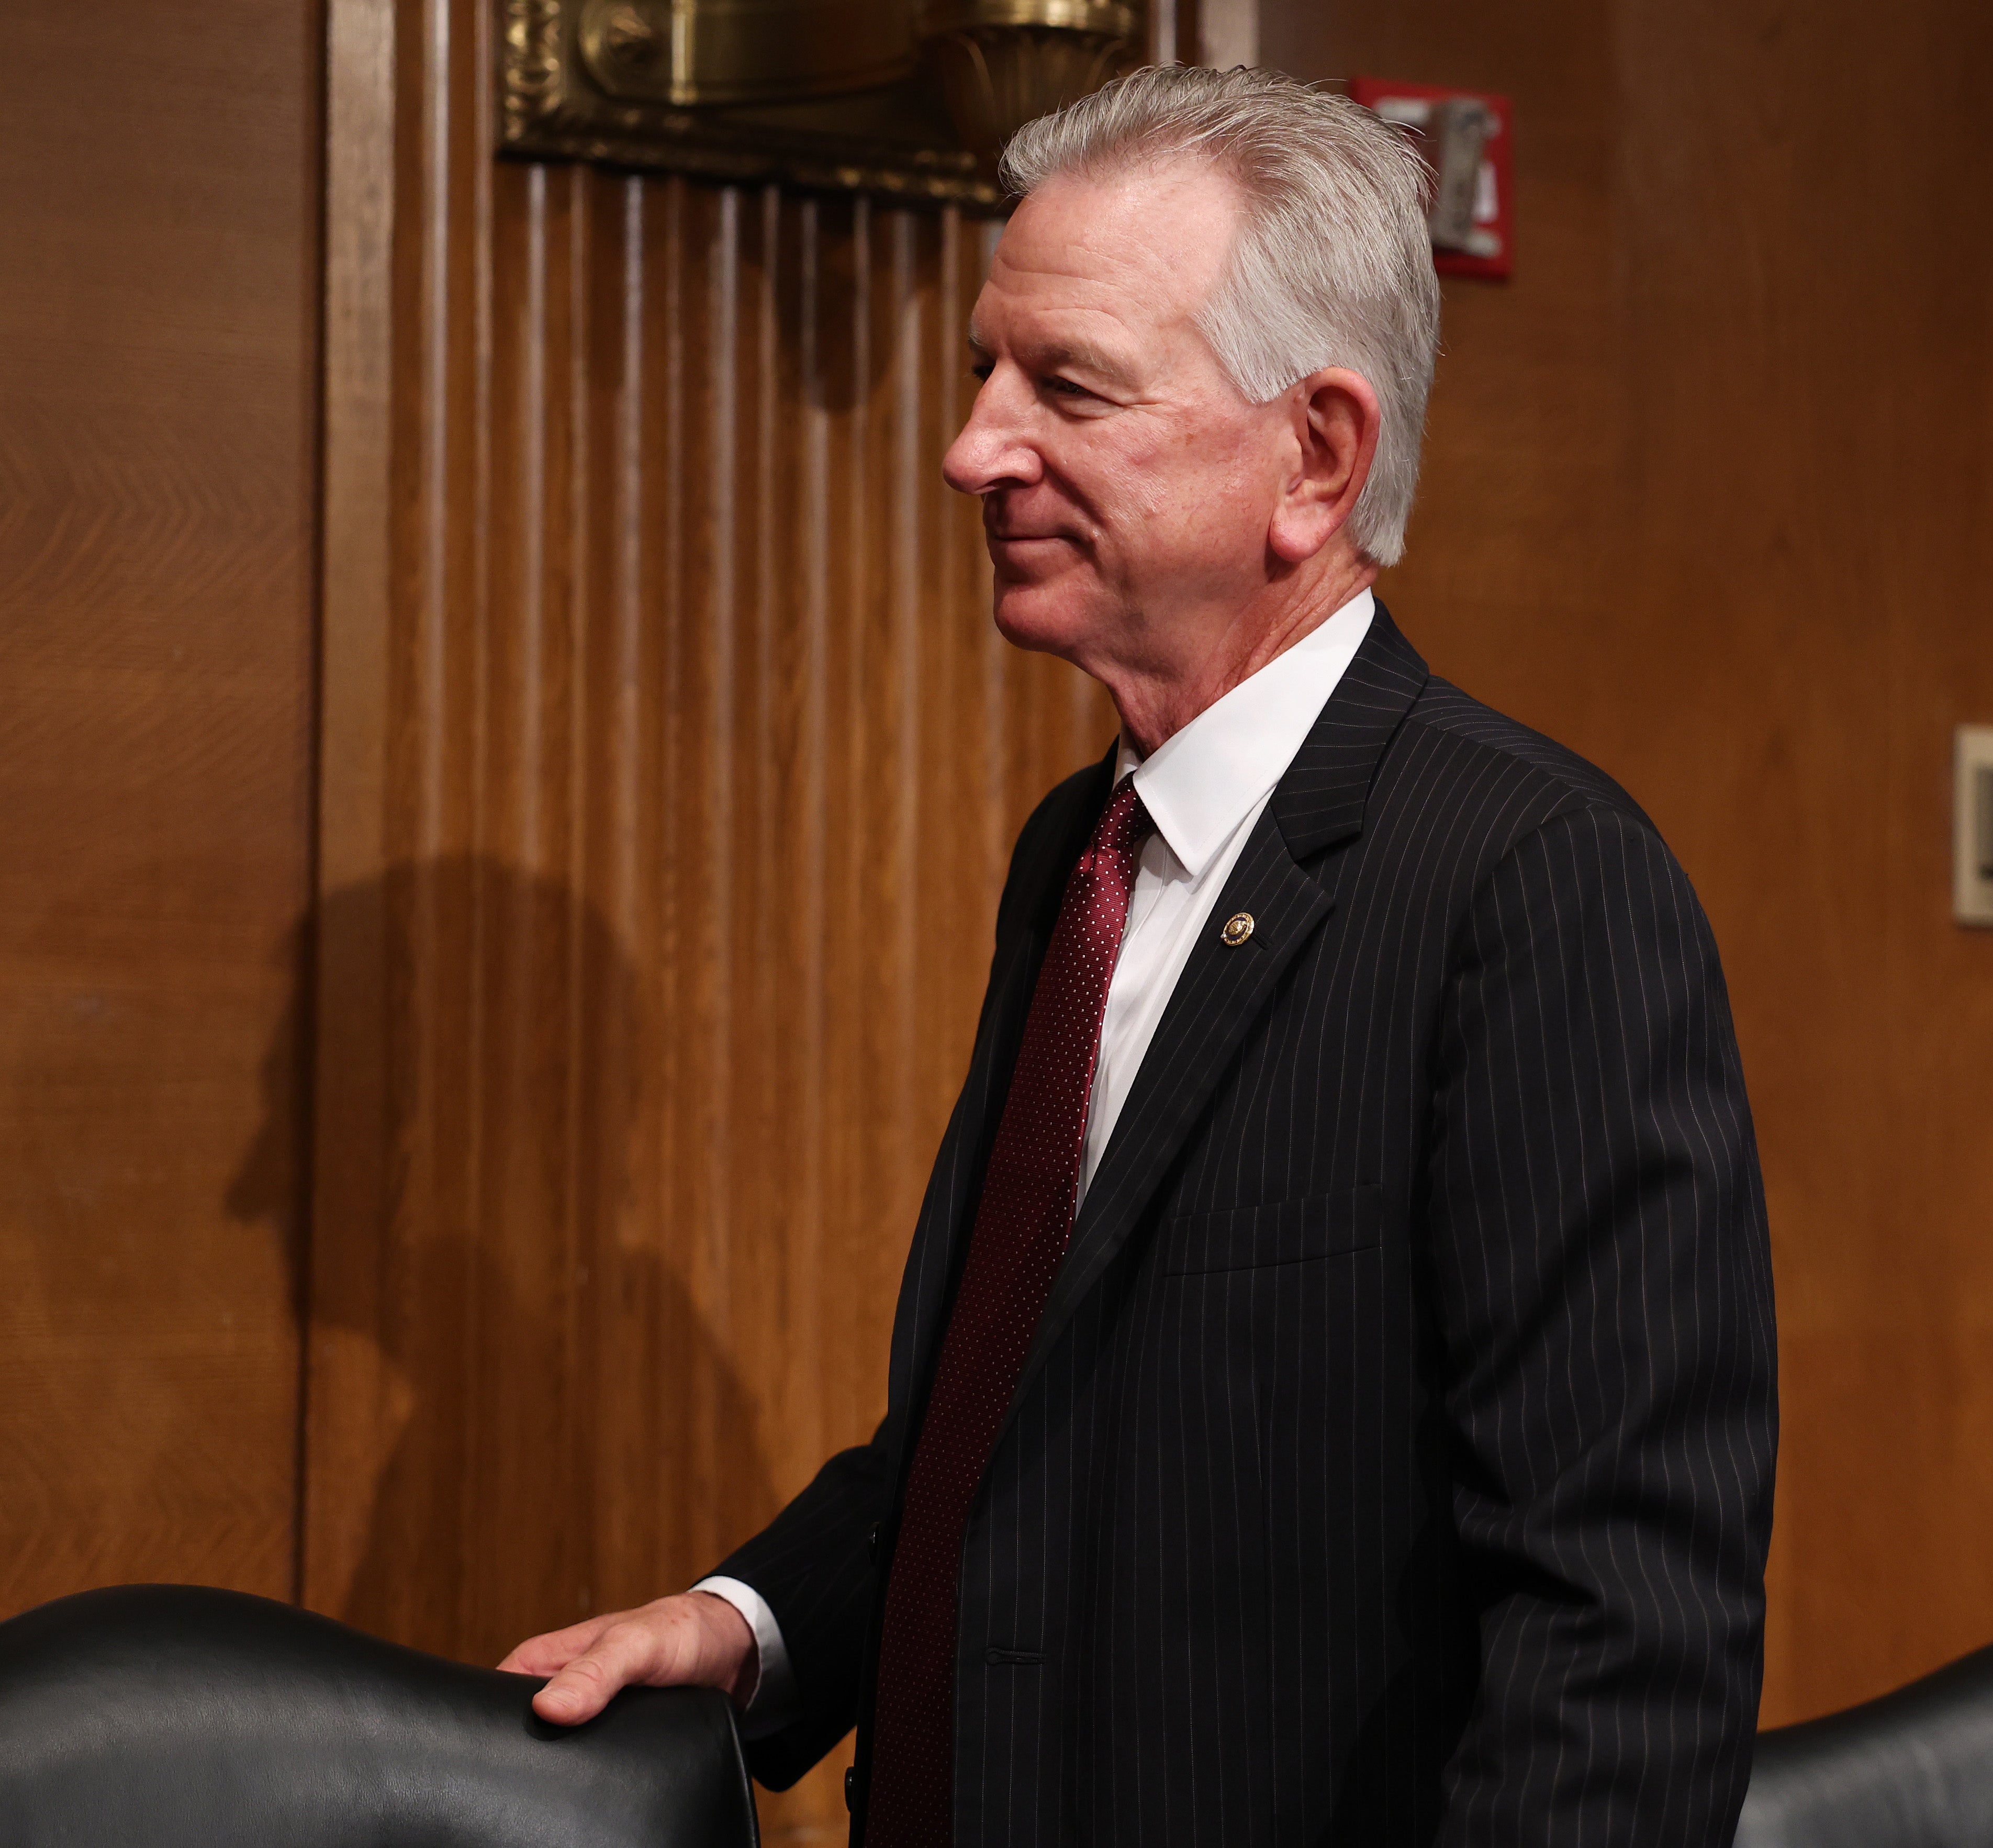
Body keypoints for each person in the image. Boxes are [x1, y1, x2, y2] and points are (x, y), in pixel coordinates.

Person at [500, 64, 1778, 1847]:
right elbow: (1003, 1431)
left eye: (1067, 387)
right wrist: (748, 1622)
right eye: (981, 371)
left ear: (1313, 455)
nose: (972, 446)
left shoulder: (1532, 883)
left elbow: (1621, 1629)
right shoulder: (1077, 856)